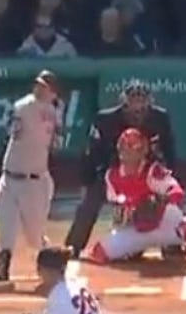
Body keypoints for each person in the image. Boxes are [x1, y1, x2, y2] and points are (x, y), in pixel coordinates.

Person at [83, 128, 186, 274]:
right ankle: (134, 252)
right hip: (135, 227)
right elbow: (117, 204)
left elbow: (177, 191)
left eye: (134, 148)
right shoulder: (112, 176)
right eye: (125, 148)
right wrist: (134, 207)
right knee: (99, 252)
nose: (129, 153)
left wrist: (159, 201)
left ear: (143, 151)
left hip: (164, 222)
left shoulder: (153, 171)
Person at [63, 79, 178, 256]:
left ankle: (173, 244)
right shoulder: (106, 119)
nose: (137, 105)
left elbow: (169, 149)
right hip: (113, 171)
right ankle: (74, 245)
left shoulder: (160, 118)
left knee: (171, 202)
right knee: (89, 202)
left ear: (149, 101)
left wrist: (169, 179)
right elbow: (92, 152)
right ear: (124, 101)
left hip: (146, 173)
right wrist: (87, 181)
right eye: (133, 99)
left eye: (142, 99)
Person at [0, 70, 64, 291]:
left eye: (44, 86)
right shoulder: (23, 106)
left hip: (35, 183)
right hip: (9, 178)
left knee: (34, 237)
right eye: (37, 84)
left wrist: (53, 112)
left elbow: (55, 138)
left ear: (52, 91)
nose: (38, 89)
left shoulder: (55, 111)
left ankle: (56, 266)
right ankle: (0, 273)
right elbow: (13, 130)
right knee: (6, 229)